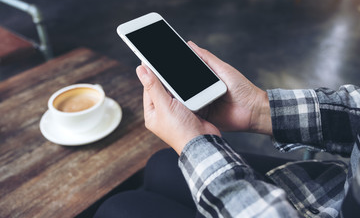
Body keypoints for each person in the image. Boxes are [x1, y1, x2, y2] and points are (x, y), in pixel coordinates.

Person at [95, 41, 360, 217]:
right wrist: (258, 109)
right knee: (162, 163)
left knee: (117, 208)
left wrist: (194, 144)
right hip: (334, 189)